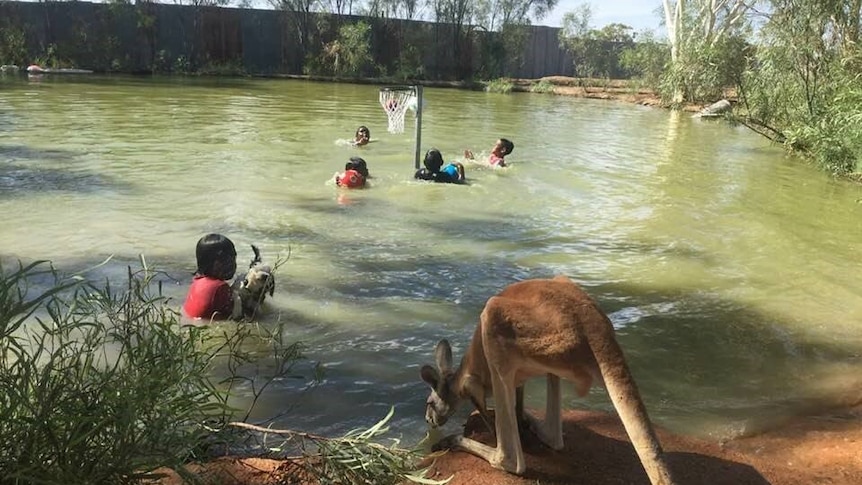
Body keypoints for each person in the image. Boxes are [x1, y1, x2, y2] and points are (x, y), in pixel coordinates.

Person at [182, 233, 241, 321]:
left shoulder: (197, 282)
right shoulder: (221, 287)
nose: (234, 264)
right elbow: (237, 317)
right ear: (216, 264)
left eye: (234, 258)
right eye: (230, 259)